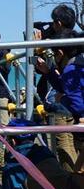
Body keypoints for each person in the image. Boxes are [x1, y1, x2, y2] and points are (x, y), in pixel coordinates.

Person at [36, 30, 84, 173]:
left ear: (61, 53)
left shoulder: (70, 70)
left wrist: (62, 99)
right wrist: (48, 72)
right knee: (78, 171)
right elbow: (65, 87)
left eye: (55, 54)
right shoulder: (77, 63)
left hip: (81, 123)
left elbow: (78, 105)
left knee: (78, 172)